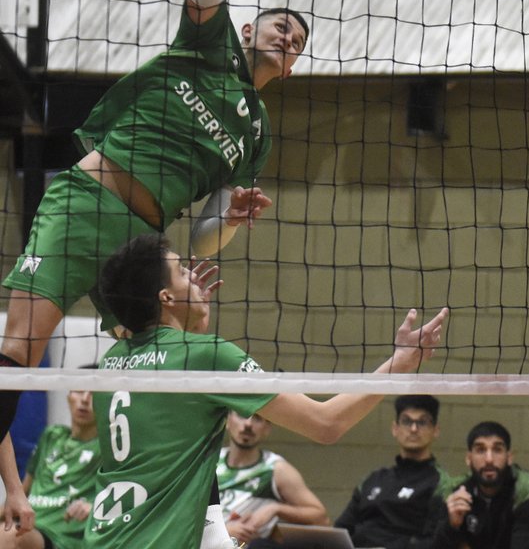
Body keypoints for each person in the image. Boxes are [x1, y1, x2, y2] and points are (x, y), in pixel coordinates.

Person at [0, 0, 310, 471]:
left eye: (298, 43)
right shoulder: (208, 41)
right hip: (85, 203)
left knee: (173, 362)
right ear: (248, 29)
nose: (288, 40)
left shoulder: (257, 137)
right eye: (280, 27)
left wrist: (231, 219)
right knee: (18, 355)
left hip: (142, 245)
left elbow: (201, 238)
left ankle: (195, 511)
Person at [82, 234, 447, 548]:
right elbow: (326, 423)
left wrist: (189, 320)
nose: (193, 275)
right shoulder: (206, 354)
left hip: (104, 535)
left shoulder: (113, 360)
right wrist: (399, 364)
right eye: (181, 271)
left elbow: (175, 397)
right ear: (166, 297)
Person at [335, 395, 449, 549]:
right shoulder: (373, 479)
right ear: (395, 429)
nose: (414, 429)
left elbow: (435, 542)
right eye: (407, 421)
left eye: (422, 422)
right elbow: (341, 529)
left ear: (435, 430)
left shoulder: (441, 483)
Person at [429, 421, 529, 549]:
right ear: (468, 459)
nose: (489, 459)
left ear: (509, 457)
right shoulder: (457, 491)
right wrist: (451, 526)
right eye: (480, 450)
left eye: (497, 450)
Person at [0, 380, 100, 549]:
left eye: (94, 394)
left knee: (9, 536)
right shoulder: (52, 435)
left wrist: (95, 508)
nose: (85, 399)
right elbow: (21, 492)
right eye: (79, 391)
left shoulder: (107, 447)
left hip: (58, 537)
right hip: (27, 524)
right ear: (68, 396)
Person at [217, 410, 328, 548]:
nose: (248, 424)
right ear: (227, 420)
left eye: (257, 418)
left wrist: (276, 509)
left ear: (267, 428)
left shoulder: (276, 469)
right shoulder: (210, 464)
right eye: (242, 415)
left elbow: (321, 518)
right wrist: (221, 532)